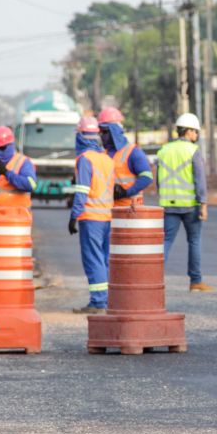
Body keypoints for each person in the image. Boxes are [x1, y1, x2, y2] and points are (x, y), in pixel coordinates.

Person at [157, 112, 213, 292]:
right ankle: (195, 281)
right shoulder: (193, 151)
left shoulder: (164, 150)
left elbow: (159, 180)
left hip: (168, 204)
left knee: (165, 242)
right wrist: (203, 204)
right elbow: (200, 180)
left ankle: (154, 280)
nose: (196, 136)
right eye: (196, 132)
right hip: (190, 206)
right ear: (188, 131)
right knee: (194, 241)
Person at [69, 115, 115, 314]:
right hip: (107, 216)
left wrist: (73, 216)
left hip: (91, 217)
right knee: (103, 259)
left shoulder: (85, 160)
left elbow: (82, 191)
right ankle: (105, 299)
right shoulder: (106, 158)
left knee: (93, 259)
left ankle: (98, 301)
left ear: (80, 136)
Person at [97, 107, 153, 207]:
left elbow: (147, 177)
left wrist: (125, 193)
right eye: (100, 132)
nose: (101, 136)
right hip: (108, 210)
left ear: (114, 131)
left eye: (105, 132)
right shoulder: (102, 154)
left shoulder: (133, 152)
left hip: (130, 210)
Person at [0, 126, 37, 208]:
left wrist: (6, 173)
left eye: (2, 148)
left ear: (11, 145)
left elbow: (31, 185)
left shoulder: (23, 162)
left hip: (17, 216)